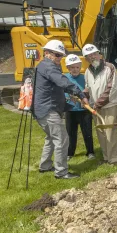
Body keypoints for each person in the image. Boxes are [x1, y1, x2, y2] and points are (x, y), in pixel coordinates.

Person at [33, 39, 86, 179]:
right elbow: (62, 81)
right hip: (48, 110)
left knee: (50, 138)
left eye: (61, 55)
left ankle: (45, 166)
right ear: (47, 53)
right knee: (61, 139)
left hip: (43, 109)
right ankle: (61, 172)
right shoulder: (48, 67)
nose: (59, 58)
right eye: (57, 55)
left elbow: (54, 87)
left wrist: (68, 97)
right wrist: (79, 93)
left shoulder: (44, 66)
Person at [82, 44, 117, 164]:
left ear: (99, 54)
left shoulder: (110, 67)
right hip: (96, 107)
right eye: (89, 56)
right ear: (86, 59)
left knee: (110, 132)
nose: (92, 57)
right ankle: (106, 157)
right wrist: (84, 96)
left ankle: (114, 159)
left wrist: (98, 103)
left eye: (94, 54)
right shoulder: (88, 71)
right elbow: (88, 87)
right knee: (101, 133)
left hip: (110, 105)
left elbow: (112, 88)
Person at [63, 54, 95, 160]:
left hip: (84, 110)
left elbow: (90, 90)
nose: (75, 69)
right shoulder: (64, 78)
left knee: (87, 132)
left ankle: (90, 152)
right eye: (72, 67)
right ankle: (70, 153)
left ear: (80, 66)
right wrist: (67, 98)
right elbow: (61, 92)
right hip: (70, 110)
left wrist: (86, 96)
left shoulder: (84, 77)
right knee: (70, 133)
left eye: (77, 67)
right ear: (67, 68)